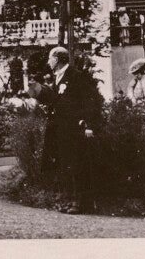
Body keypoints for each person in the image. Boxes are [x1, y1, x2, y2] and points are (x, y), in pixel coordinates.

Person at [31, 46, 97, 214]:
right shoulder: (57, 78)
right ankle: (68, 200)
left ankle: (79, 202)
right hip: (60, 129)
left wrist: (88, 124)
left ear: (58, 59)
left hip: (73, 128)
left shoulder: (77, 76)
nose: (48, 61)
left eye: (50, 58)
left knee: (75, 164)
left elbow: (90, 101)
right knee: (64, 164)